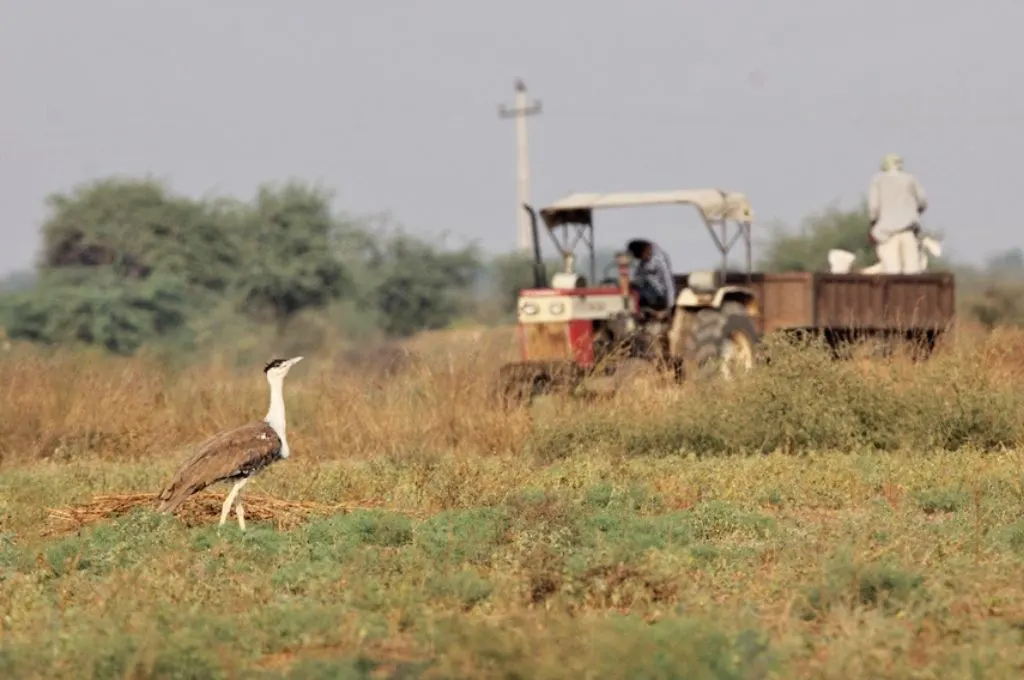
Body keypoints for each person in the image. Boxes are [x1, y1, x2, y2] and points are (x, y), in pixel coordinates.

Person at [868, 153, 928, 274]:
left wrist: (873, 224)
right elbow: (922, 202)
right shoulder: (910, 179)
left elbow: (873, 208)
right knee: (912, 270)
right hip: (908, 231)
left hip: (886, 233)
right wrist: (914, 214)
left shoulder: (878, 180)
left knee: (891, 271)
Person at [626, 239, 675, 312]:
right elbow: (637, 275)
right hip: (648, 291)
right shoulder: (643, 262)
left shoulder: (658, 259)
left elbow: (668, 281)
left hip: (658, 294)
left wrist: (671, 304)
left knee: (641, 284)